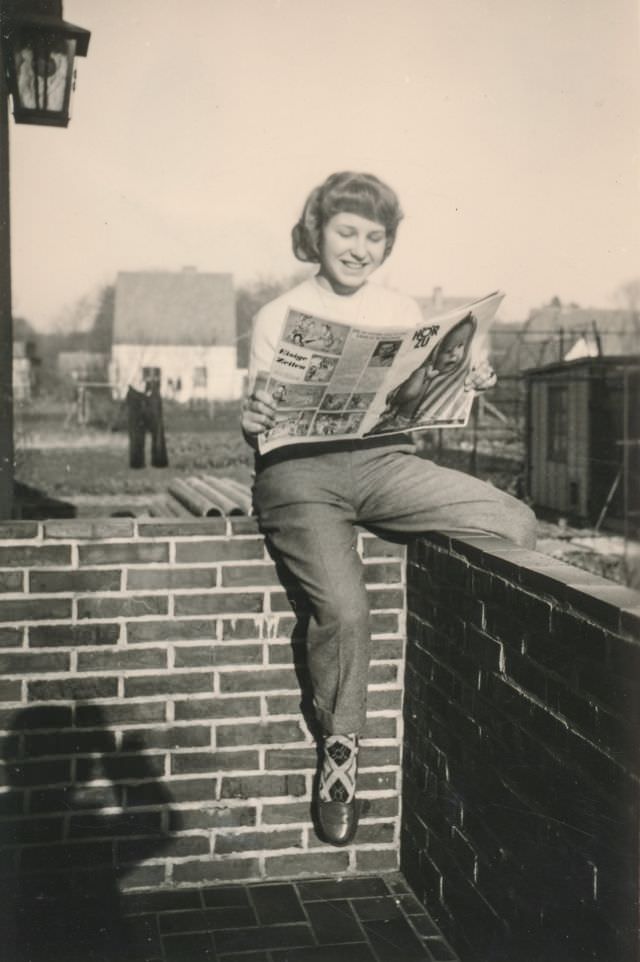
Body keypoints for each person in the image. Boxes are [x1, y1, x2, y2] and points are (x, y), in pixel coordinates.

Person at [241, 171, 536, 847]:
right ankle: (341, 756)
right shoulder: (276, 314)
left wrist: (466, 378)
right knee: (344, 610)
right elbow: (261, 423)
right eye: (347, 231)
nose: (360, 248)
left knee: (513, 521)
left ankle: (479, 682)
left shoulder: (402, 309)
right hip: (298, 475)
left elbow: (423, 403)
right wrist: (252, 415)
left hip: (383, 463)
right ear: (315, 232)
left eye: (376, 236)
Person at [370, 310, 493, 432]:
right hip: (391, 424)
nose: (455, 354)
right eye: (448, 349)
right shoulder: (423, 370)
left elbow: (482, 382)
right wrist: (422, 376)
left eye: (461, 346)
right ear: (434, 353)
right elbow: (407, 393)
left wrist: (484, 379)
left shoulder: (458, 375)